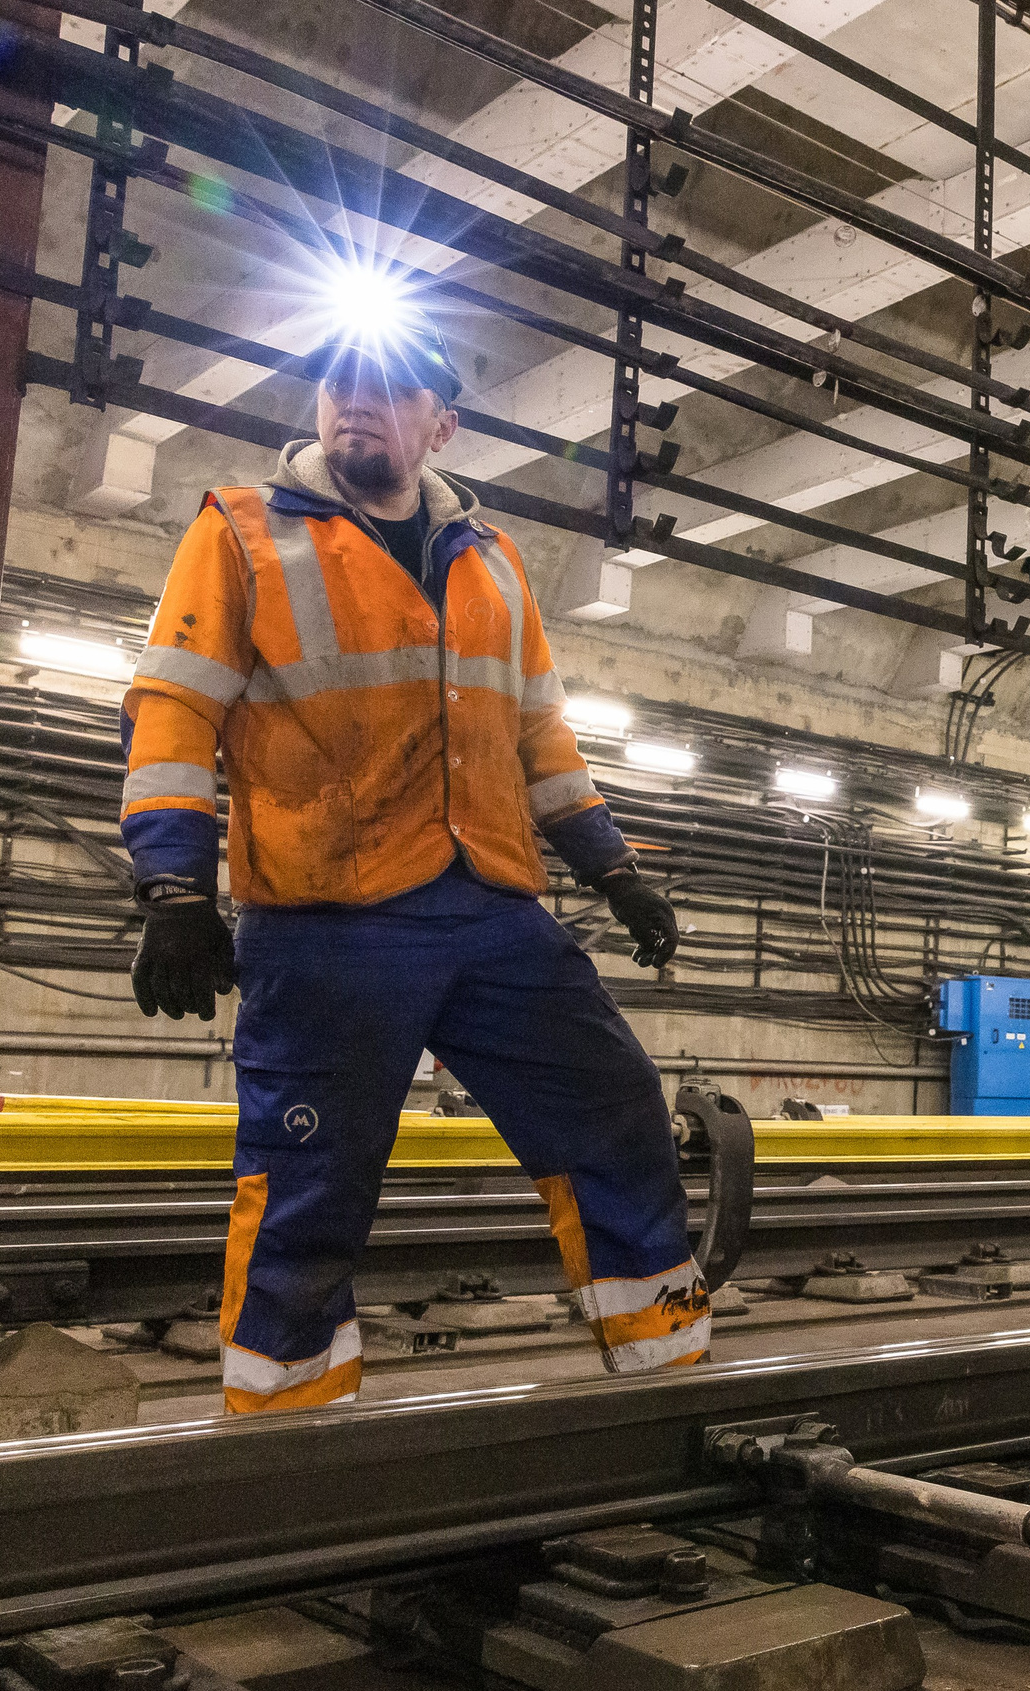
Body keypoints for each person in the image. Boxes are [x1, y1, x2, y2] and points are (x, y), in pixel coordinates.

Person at [119, 316, 709, 1411]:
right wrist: (172, 885)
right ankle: (286, 1426)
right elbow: (173, 710)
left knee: (618, 1109)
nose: (356, 402)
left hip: (489, 906)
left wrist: (613, 868)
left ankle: (664, 1379)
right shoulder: (241, 532)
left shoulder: (492, 560)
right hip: (327, 915)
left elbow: (538, 735)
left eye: (388, 390)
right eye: (340, 383)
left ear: (441, 423)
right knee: (308, 1181)